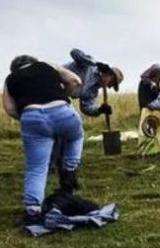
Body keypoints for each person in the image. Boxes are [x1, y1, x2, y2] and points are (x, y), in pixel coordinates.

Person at [2, 56, 84, 225]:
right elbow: (75, 81)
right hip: (62, 112)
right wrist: (64, 96)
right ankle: (69, 172)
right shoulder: (47, 65)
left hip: (32, 118)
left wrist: (27, 117)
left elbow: (9, 108)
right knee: (76, 136)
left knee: (36, 168)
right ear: (32, 61)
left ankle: (32, 211)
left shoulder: (10, 79)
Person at [63, 49, 123, 118]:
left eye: (111, 86)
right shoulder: (88, 65)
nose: (108, 86)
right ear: (109, 73)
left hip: (57, 97)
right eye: (111, 83)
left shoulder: (92, 91)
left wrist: (99, 110)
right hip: (52, 79)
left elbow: (86, 108)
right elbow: (74, 52)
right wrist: (95, 63)